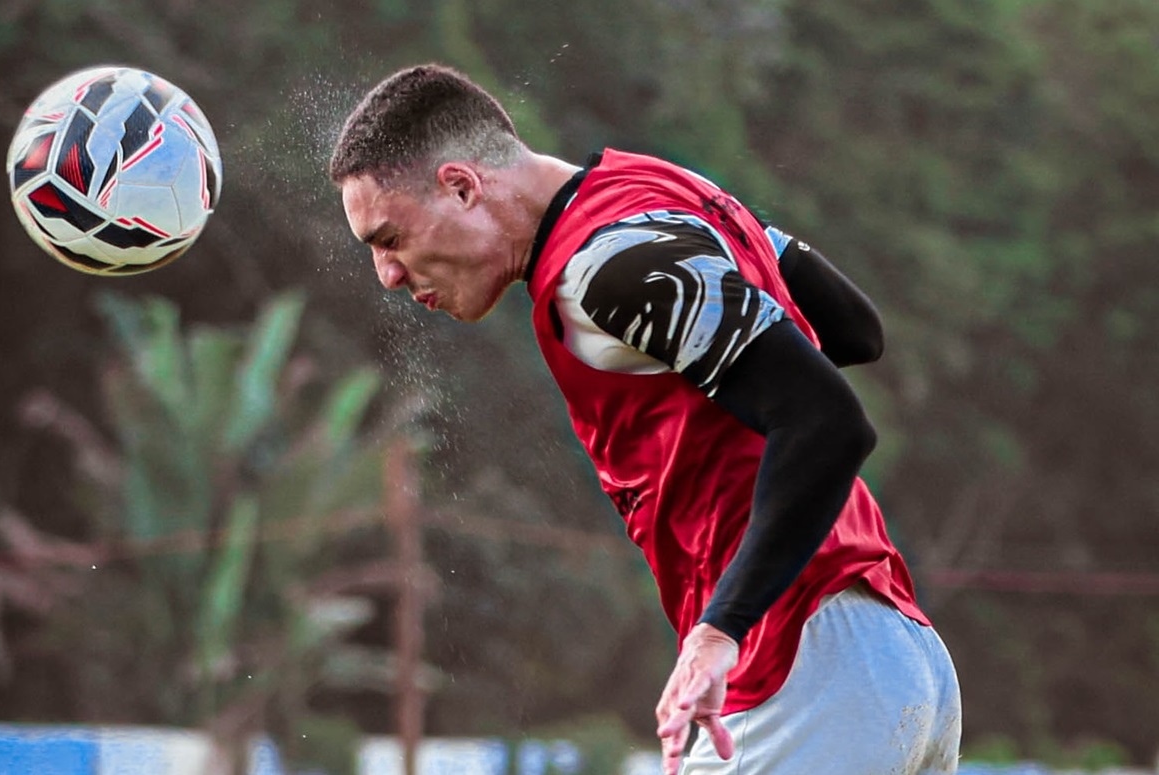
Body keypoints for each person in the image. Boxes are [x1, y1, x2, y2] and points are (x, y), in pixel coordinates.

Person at [329, 63, 961, 775]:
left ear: (462, 185)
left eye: (387, 238)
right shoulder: (659, 192)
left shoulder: (609, 267)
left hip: (802, 663)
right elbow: (854, 330)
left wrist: (718, 630)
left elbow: (828, 422)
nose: (386, 273)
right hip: (893, 652)